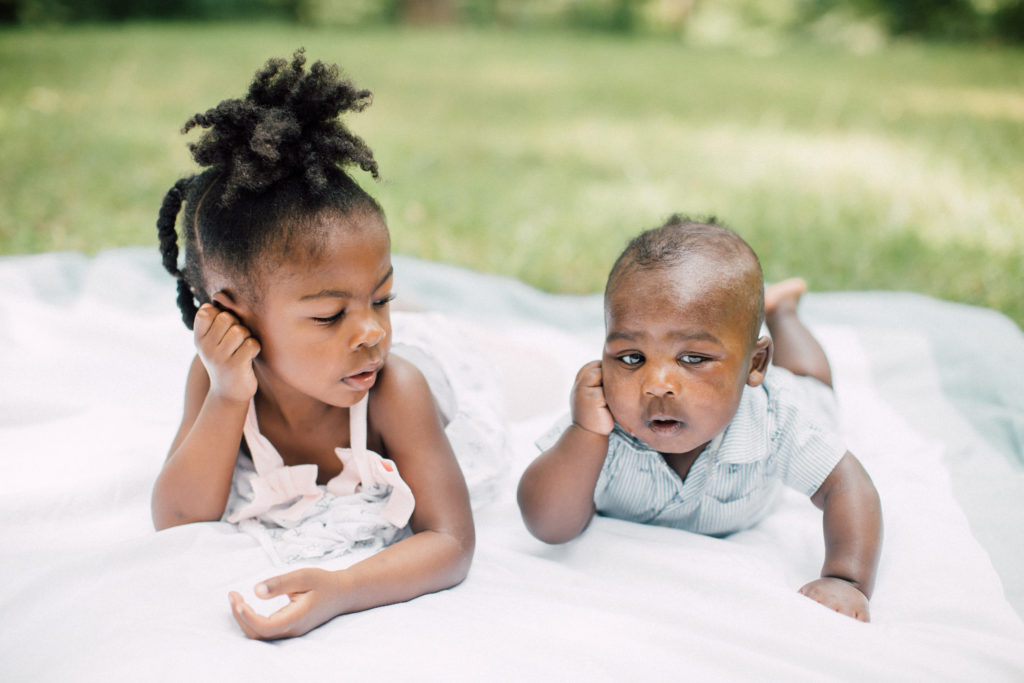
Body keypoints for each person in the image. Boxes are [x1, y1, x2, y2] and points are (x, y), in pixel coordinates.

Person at [151, 50, 487, 640]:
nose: (371, 332)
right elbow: (178, 517)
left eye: (382, 299)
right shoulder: (215, 381)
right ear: (233, 318)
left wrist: (344, 589)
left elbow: (451, 541)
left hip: (438, 376)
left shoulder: (395, 389)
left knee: (462, 350)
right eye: (330, 315)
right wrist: (230, 394)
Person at [516, 215, 883, 622]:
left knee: (811, 382)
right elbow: (548, 526)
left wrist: (846, 579)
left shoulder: (776, 418)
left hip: (794, 391)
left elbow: (847, 484)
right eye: (631, 357)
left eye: (693, 358)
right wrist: (584, 435)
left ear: (755, 363)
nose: (656, 384)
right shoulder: (599, 423)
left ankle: (784, 314)